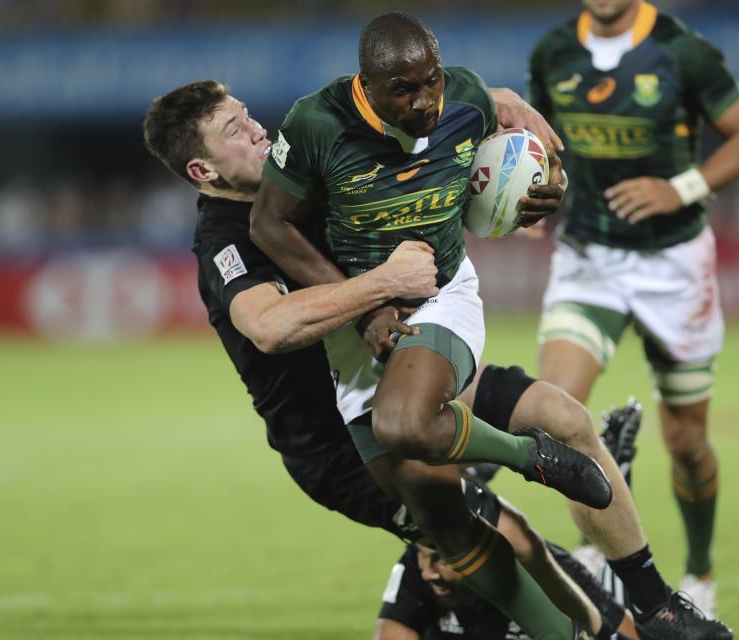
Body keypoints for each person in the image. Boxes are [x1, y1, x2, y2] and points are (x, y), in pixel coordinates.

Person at [144, 74, 732, 640]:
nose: (256, 130)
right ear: (203, 170)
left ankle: (657, 608)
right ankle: (593, 618)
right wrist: (382, 286)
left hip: (402, 364)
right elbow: (269, 326)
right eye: (233, 130)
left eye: (247, 114)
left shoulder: (299, 169)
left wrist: (501, 141)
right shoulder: (225, 239)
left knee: (568, 419)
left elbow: (406, 134)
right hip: (341, 443)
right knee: (511, 538)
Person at [250, 12, 616, 639]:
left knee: (405, 424)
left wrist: (549, 188)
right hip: (354, 323)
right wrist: (362, 304)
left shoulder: (468, 100)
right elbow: (269, 225)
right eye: (405, 89)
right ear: (365, 83)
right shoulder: (315, 124)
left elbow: (532, 165)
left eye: (432, 82)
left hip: (441, 295)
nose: (425, 102)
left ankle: (534, 458)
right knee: (444, 527)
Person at [528, 0, 739, 619]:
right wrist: (530, 198)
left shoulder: (683, 52)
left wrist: (680, 187)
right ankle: (597, 552)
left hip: (674, 266)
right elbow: (540, 145)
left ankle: (701, 569)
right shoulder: (552, 54)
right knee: (557, 412)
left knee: (687, 443)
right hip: (589, 259)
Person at [374, 404, 646, 640]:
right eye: (426, 557)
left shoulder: (540, 568)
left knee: (599, 570)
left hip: (567, 571)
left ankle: (612, 466)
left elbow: (623, 633)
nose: (427, 572)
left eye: (440, 560)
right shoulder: (422, 557)